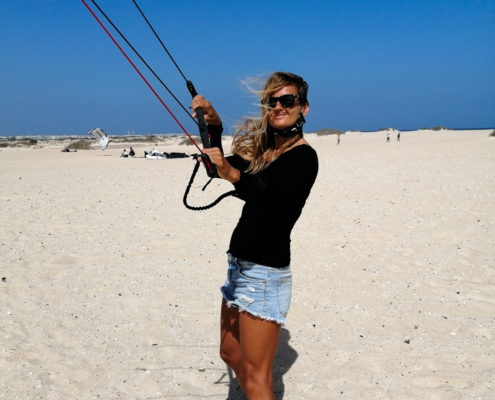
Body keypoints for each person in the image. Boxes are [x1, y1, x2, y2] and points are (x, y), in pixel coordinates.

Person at [191, 72, 318, 399]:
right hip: (239, 267)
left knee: (255, 374)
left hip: (264, 276)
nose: (278, 106)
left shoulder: (304, 157)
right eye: (271, 101)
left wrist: (234, 174)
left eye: (287, 100)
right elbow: (214, 168)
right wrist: (213, 128)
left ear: (303, 108)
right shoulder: (263, 151)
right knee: (230, 353)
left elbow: (268, 194)